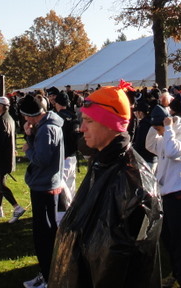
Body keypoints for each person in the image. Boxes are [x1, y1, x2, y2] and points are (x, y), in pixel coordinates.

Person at [50, 86, 163, 288]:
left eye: (89, 121)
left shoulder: (132, 181)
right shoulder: (103, 163)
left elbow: (123, 263)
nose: (81, 128)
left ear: (112, 125)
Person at [146, 102, 181, 288]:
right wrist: (156, 123)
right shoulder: (164, 137)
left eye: (158, 128)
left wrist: (167, 127)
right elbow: (150, 144)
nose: (158, 132)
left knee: (179, 240)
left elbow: (173, 151)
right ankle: (176, 273)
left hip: (178, 196)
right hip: (164, 196)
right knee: (167, 238)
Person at [20, 93, 65, 288]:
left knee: (44, 236)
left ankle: (49, 278)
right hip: (45, 183)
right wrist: (30, 136)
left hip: (45, 185)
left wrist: (27, 148)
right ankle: (47, 273)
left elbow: (41, 159)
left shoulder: (47, 129)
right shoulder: (47, 126)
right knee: (45, 233)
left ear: (31, 115)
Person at [0, 96, 27, 222]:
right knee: (0, 183)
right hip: (7, 157)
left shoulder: (1, 120)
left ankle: (17, 207)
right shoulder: (9, 119)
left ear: (1, 106)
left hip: (1, 158)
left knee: (1, 185)